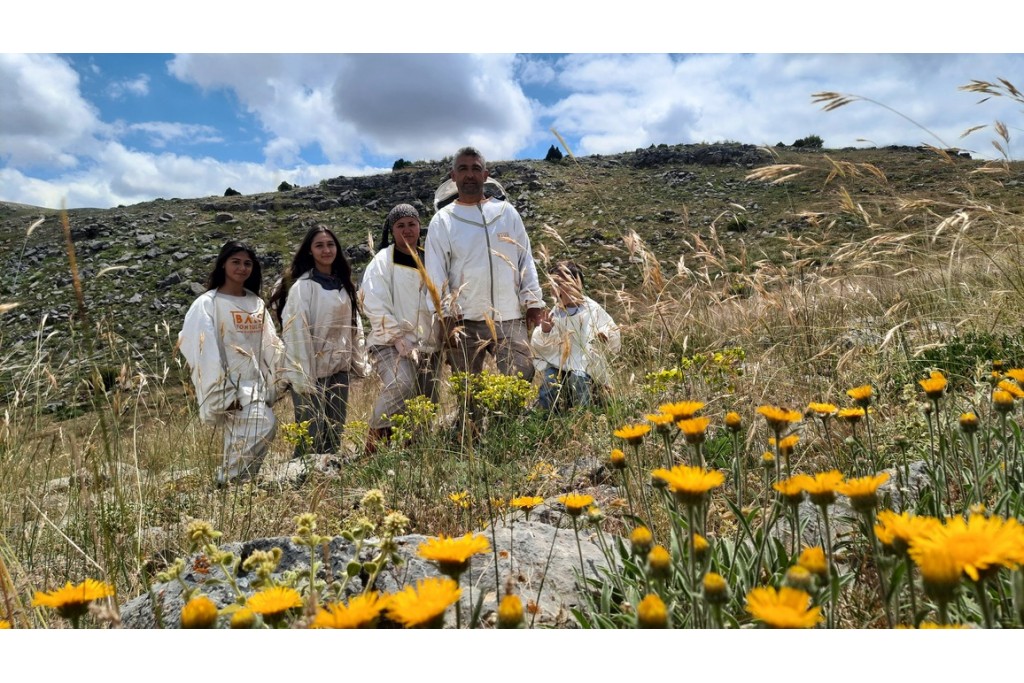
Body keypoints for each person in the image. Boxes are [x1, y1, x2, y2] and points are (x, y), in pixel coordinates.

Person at [424, 146, 545, 381]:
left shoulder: (507, 213)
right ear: (453, 176)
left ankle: (509, 418)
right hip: (463, 321)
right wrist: (445, 318)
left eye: (475, 169)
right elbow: (436, 273)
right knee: (469, 391)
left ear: (485, 175)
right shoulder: (443, 221)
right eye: (463, 169)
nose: (470, 174)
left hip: (507, 316)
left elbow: (524, 258)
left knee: (521, 374)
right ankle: (472, 420)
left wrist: (533, 302)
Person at [178, 240, 283, 486]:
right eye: (235, 262)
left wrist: (278, 378)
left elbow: (270, 343)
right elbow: (201, 347)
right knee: (263, 424)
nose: (242, 268)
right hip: (232, 386)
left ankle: (235, 486)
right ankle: (230, 481)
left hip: (256, 384)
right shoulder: (207, 303)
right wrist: (221, 391)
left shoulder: (256, 303)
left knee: (244, 436)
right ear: (223, 264)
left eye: (247, 263)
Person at [269, 225, 368, 457]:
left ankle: (328, 482)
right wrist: (305, 380)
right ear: (310, 251)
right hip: (311, 374)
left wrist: (357, 362)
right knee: (309, 438)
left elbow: (354, 325)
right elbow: (296, 334)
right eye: (319, 245)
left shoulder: (343, 285)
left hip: (338, 371)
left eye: (330, 244)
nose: (326, 250)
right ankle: (300, 484)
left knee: (334, 434)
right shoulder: (302, 288)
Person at [360, 203, 441, 453]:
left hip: (428, 343)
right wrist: (396, 337)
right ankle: (374, 446)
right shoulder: (382, 261)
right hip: (391, 344)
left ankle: (413, 449)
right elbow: (373, 300)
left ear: (420, 227)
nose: (407, 230)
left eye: (412, 224)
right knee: (402, 384)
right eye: (400, 225)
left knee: (428, 400)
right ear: (392, 230)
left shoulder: (431, 259)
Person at [530, 261, 621, 411]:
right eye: (554, 284)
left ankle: (583, 414)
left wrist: (604, 335)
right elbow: (541, 342)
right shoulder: (555, 313)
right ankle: (546, 417)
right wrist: (545, 330)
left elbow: (609, 327)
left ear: (577, 284)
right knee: (549, 383)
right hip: (559, 363)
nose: (558, 289)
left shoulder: (591, 308)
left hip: (585, 363)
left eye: (562, 283)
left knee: (579, 379)